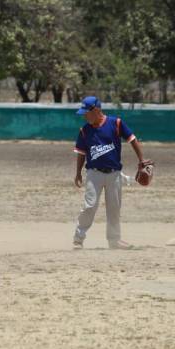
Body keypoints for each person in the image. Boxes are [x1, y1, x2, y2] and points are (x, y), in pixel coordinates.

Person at [72, 96, 147, 250]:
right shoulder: (84, 131)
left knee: (114, 208)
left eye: (87, 112)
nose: (84, 116)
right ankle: (78, 239)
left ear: (97, 110)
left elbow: (132, 139)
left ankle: (114, 240)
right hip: (94, 174)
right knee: (89, 206)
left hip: (114, 174)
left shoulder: (116, 123)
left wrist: (141, 160)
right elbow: (81, 153)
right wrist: (78, 172)